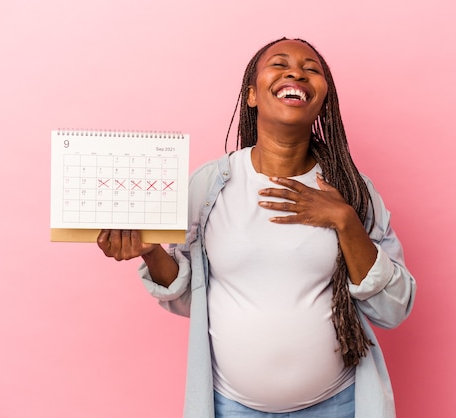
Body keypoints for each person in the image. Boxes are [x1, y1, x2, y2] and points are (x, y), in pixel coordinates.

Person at [97, 37, 416, 418]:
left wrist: (344, 221)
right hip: (231, 407)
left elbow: (393, 308)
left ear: (323, 102)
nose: (296, 72)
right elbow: (189, 299)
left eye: (311, 69)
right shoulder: (208, 187)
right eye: (280, 64)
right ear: (251, 95)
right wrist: (149, 251)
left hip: (338, 405)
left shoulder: (350, 190)